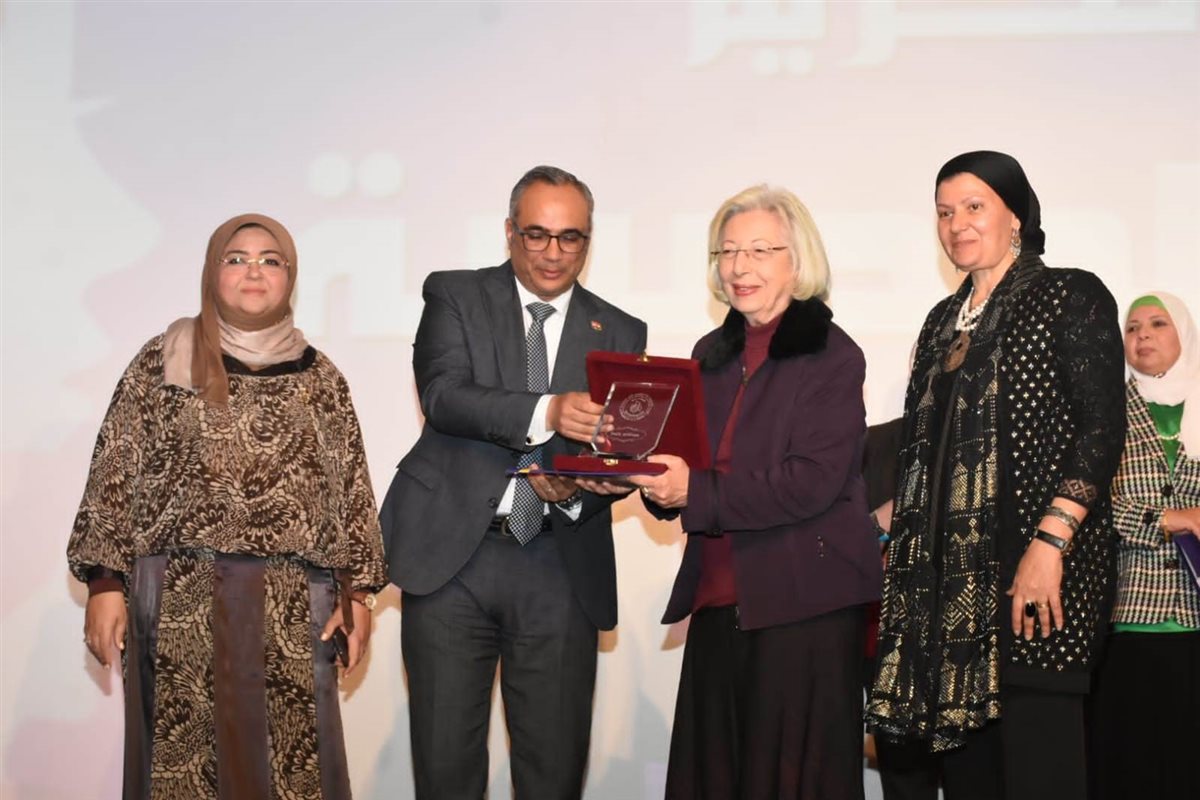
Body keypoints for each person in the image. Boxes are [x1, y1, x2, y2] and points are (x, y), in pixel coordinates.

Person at [68, 213, 387, 799]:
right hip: (178, 596)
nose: (253, 272)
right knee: (181, 769)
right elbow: (115, 468)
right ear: (212, 272)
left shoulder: (321, 378)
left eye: (270, 260)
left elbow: (351, 489)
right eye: (236, 259)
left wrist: (359, 593)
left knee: (294, 771)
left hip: (295, 603)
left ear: (290, 276)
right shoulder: (162, 362)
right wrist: (105, 584)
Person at [378, 165, 647, 800]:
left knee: (553, 772)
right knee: (445, 770)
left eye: (571, 237)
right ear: (509, 232)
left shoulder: (622, 331)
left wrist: (582, 489)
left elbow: (619, 453)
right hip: (453, 563)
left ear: (588, 240)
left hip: (559, 566)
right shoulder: (455, 295)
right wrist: (549, 411)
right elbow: (443, 396)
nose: (554, 252)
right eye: (537, 234)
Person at [865, 151, 1126, 800]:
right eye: (944, 212)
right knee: (970, 778)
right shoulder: (939, 322)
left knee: (1040, 771)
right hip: (947, 599)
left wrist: (1049, 544)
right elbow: (925, 453)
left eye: (974, 206)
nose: (956, 224)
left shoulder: (1070, 293)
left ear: (1016, 216)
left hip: (1040, 579)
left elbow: (1101, 430)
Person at [623, 184, 881, 799]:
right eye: (728, 251)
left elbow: (809, 484)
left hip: (805, 606)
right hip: (719, 599)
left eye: (761, 250)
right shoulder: (708, 355)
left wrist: (695, 491)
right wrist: (658, 484)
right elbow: (692, 470)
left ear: (798, 261)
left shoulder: (834, 355)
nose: (741, 266)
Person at [1090, 292, 1200, 800]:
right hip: (1130, 616)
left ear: (1185, 334)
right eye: (1132, 328)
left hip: (1196, 619)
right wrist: (1169, 520)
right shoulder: (1106, 413)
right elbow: (1092, 505)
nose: (1143, 336)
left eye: (1158, 324)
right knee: (1133, 768)